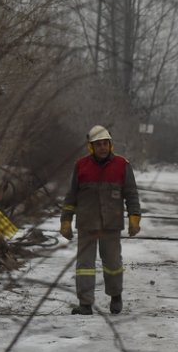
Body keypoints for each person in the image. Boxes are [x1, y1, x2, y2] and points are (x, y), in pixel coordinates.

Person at [60, 125, 141, 315]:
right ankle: (85, 304)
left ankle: (115, 296)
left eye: (105, 143)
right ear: (91, 147)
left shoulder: (122, 165)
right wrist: (65, 221)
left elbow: (131, 194)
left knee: (113, 264)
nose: (103, 147)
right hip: (87, 224)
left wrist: (134, 218)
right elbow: (71, 196)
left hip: (111, 224)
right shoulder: (81, 166)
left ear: (110, 144)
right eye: (98, 144)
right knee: (84, 266)